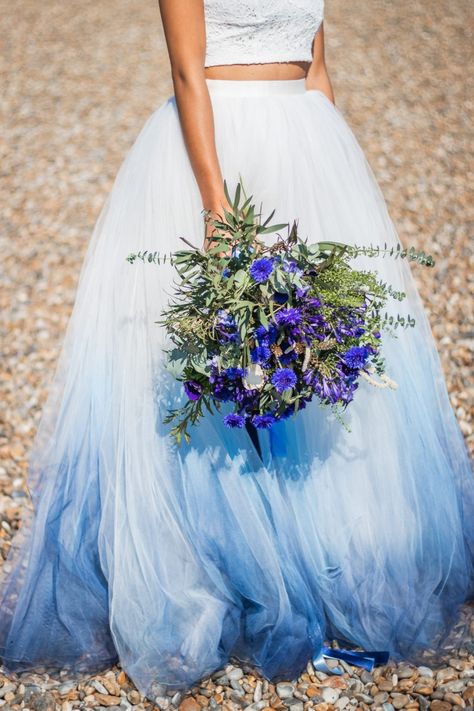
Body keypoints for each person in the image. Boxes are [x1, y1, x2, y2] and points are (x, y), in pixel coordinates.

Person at [1, 0, 473, 701]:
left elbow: (317, 68)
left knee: (316, 359)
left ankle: (324, 560)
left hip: (307, 146)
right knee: (214, 367)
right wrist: (217, 207)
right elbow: (189, 74)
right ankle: (224, 568)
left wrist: (333, 180)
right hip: (214, 152)